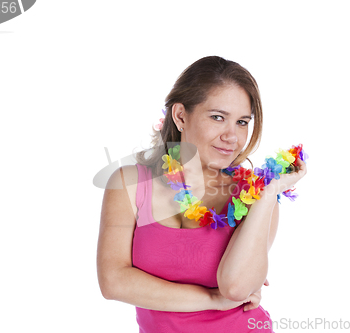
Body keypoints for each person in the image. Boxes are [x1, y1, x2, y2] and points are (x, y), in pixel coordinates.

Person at [97, 55, 307, 332]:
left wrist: (269, 195)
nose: (232, 136)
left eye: (242, 122)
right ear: (181, 115)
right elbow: (113, 282)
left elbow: (235, 287)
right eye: (218, 117)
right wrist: (210, 299)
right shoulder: (129, 184)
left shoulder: (255, 195)